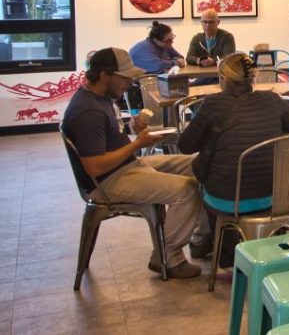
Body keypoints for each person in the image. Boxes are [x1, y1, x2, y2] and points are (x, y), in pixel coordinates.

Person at [61, 47, 204, 279]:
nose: (129, 82)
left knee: (198, 164)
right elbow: (95, 167)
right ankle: (167, 257)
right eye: (124, 77)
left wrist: (130, 128)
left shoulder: (102, 98)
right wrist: (137, 144)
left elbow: (107, 138)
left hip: (126, 166)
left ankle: (203, 238)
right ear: (105, 75)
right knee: (187, 190)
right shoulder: (88, 111)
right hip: (106, 183)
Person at [178, 53, 289, 267]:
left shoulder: (212, 104)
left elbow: (185, 146)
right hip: (275, 196)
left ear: (222, 79)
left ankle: (218, 251)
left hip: (227, 200)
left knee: (201, 184)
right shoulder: (272, 100)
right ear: (252, 78)